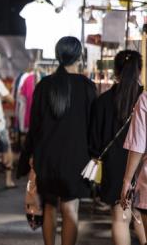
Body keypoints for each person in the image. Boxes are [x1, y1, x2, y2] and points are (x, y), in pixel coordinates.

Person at [27, 36, 96, 245]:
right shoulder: (87, 86)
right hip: (76, 156)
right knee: (70, 209)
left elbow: (35, 125)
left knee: (49, 207)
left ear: (57, 56)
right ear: (79, 56)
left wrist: (31, 157)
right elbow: (92, 126)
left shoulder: (44, 85)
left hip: (46, 156)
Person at [90, 50, 145, 245]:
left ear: (116, 70)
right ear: (139, 70)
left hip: (114, 165)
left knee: (120, 219)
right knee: (140, 215)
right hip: (141, 164)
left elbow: (95, 139)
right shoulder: (144, 97)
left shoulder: (103, 101)